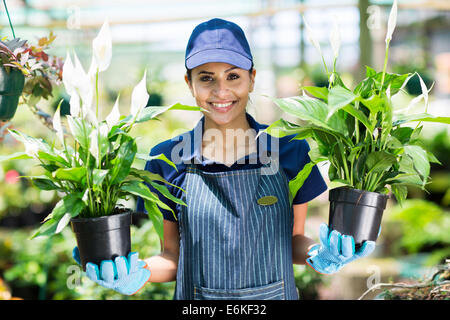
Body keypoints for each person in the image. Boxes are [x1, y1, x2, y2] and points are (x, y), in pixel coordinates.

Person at [73, 18, 376, 299]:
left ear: (252, 79)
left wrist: (320, 254)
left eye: (233, 76)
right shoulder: (165, 160)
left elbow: (294, 239)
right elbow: (171, 257)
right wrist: (137, 274)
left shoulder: (289, 151)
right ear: (190, 83)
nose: (221, 91)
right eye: (207, 78)